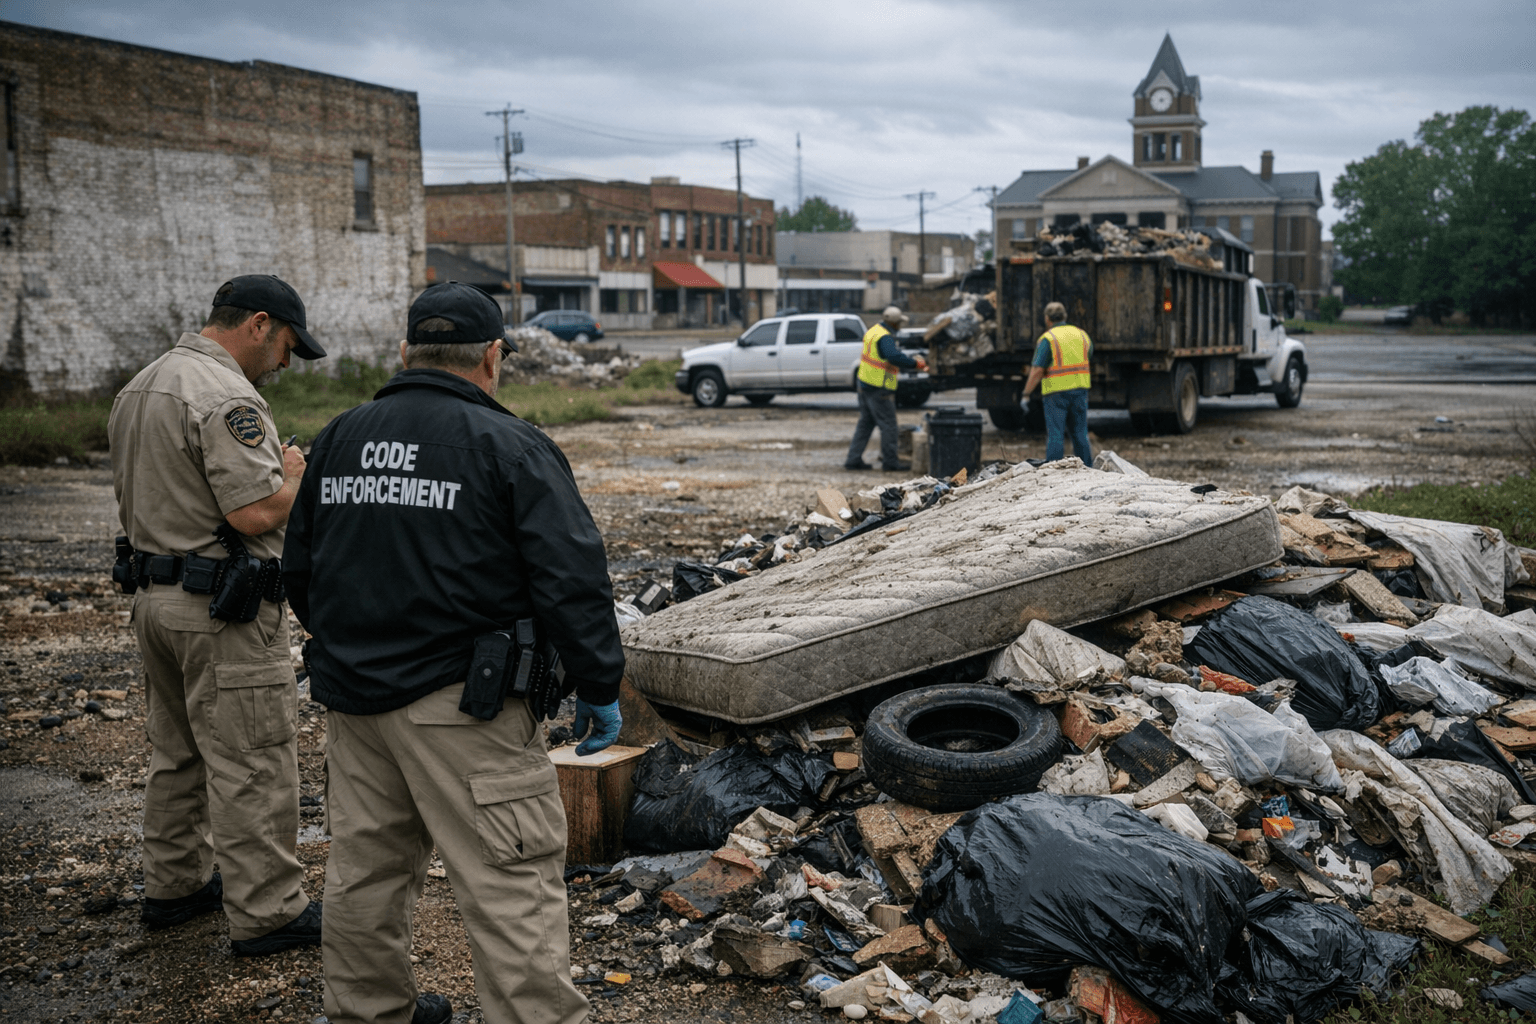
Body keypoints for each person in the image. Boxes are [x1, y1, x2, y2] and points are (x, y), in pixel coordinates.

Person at [282, 281, 625, 1024]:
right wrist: (599, 684)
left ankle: (366, 1013)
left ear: (407, 351)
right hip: (467, 709)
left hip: (356, 703)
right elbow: (573, 581)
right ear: (493, 357)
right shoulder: (512, 446)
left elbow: (300, 570)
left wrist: (357, 650)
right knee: (510, 884)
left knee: (365, 875)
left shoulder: (339, 438)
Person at [108, 275, 327, 956]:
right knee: (251, 759)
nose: (286, 362)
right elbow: (254, 512)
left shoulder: (141, 385)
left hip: (155, 600)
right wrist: (295, 473)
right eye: (287, 345)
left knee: (177, 752)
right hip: (222, 612)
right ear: (259, 324)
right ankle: (269, 911)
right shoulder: (226, 395)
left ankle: (175, 885)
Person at [844, 305, 927, 471]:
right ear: (895, 323)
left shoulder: (873, 331)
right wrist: (915, 363)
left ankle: (853, 459)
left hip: (864, 383)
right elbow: (893, 356)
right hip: (878, 386)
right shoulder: (885, 337)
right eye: (899, 323)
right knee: (889, 425)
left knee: (865, 424)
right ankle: (890, 462)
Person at [1024, 301, 1093, 465]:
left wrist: (1026, 393)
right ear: (1065, 316)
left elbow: (1038, 370)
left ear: (1047, 319)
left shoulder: (1048, 339)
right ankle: (1088, 469)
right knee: (1080, 434)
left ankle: (1054, 470)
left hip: (1056, 393)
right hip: (1080, 389)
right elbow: (1088, 355)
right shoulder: (1082, 335)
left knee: (1056, 434)